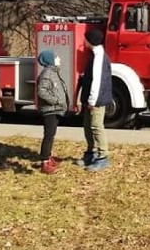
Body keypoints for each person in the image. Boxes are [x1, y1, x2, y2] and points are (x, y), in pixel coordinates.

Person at [75, 29, 112, 172]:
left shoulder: (99, 58)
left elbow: (97, 81)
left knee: (96, 127)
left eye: (85, 39)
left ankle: (103, 157)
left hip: (96, 100)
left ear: (90, 41)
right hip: (92, 99)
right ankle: (91, 153)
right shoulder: (95, 55)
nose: (83, 42)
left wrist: (92, 100)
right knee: (87, 126)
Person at [36, 49, 70, 174]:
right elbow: (42, 91)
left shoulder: (53, 73)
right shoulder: (47, 74)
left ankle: (48, 157)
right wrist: (55, 101)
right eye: (56, 57)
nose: (59, 59)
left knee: (51, 134)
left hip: (55, 110)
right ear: (50, 60)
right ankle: (44, 162)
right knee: (49, 135)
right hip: (50, 110)